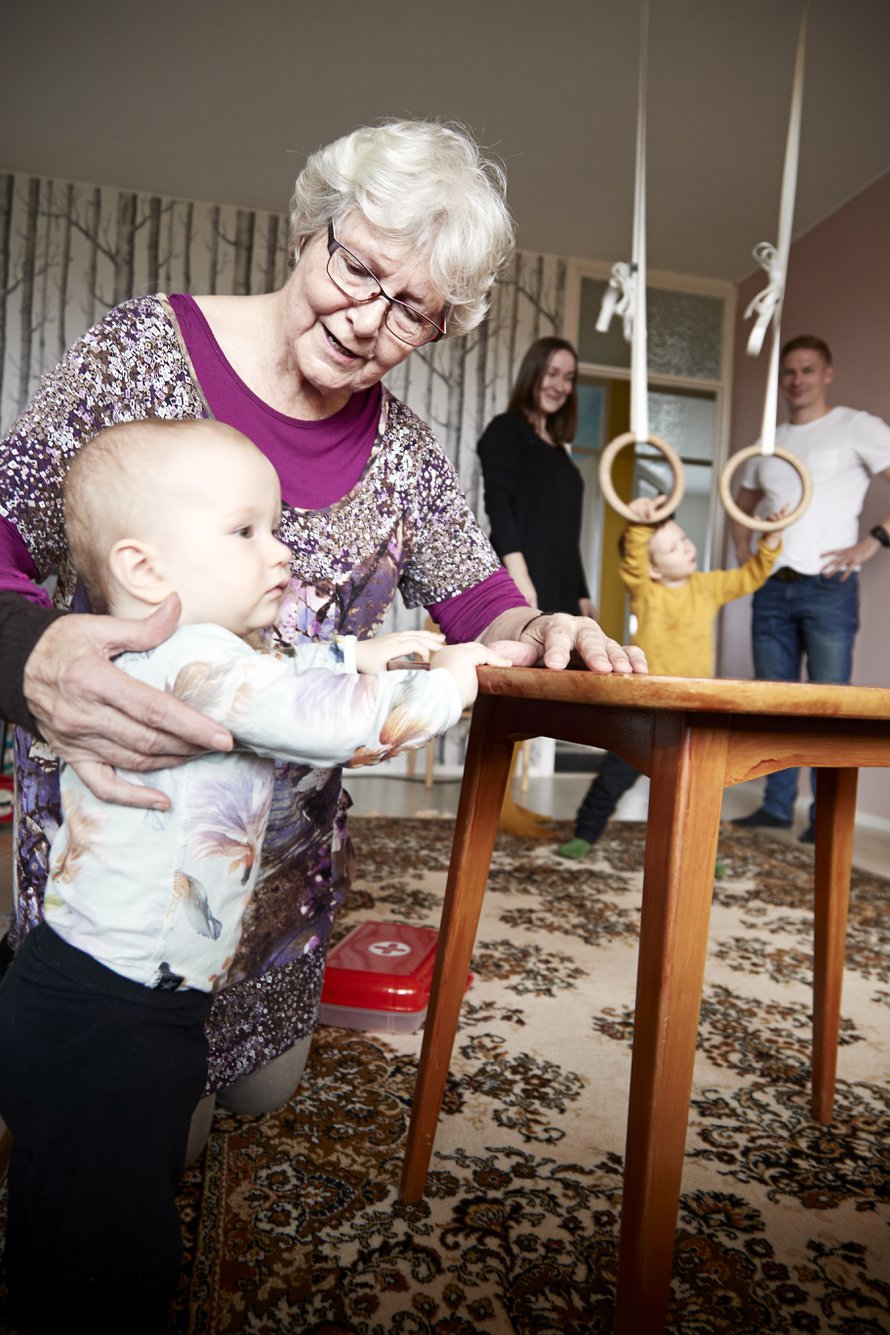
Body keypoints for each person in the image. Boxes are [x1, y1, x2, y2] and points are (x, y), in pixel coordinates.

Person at [0, 120, 647, 1160]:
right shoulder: (136, 351)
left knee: (256, 1095)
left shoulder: (403, 452)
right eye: (357, 267)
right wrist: (23, 653)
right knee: (128, 1130)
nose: (365, 319)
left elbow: (484, 609)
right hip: (127, 844)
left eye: (411, 312)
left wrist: (547, 624)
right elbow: (4, 530)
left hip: (274, 875)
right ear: (313, 226)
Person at [0, 417, 509, 1333]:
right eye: (247, 532)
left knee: (55, 1214)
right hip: (115, 1025)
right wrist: (464, 673)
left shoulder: (170, 652)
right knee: (117, 1260)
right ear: (146, 568)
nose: (280, 551)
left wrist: (361, 649)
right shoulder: (201, 664)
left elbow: (287, 673)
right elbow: (343, 720)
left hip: (63, 994)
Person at [558, 494, 786, 859]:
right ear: (655, 569)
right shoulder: (646, 590)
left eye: (684, 540)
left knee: (700, 790)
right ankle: (584, 835)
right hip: (645, 707)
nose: (686, 548)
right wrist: (640, 524)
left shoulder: (708, 586)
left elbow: (751, 575)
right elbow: (633, 559)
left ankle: (703, 858)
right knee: (613, 779)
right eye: (672, 548)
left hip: (694, 709)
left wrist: (771, 540)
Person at [729, 335, 890, 842]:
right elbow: (744, 499)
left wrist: (872, 543)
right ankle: (776, 807)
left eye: (807, 370)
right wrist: (744, 556)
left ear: (828, 374)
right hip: (772, 589)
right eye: (789, 373)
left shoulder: (856, 427)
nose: (797, 380)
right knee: (774, 705)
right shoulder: (769, 440)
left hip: (830, 589)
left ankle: (825, 819)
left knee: (828, 707)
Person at [477, 336, 594, 617]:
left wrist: (582, 594)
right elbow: (498, 504)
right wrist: (518, 574)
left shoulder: (558, 451)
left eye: (568, 378)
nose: (560, 386)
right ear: (533, 373)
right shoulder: (506, 429)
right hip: (522, 578)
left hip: (561, 588)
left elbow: (566, 531)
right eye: (551, 374)